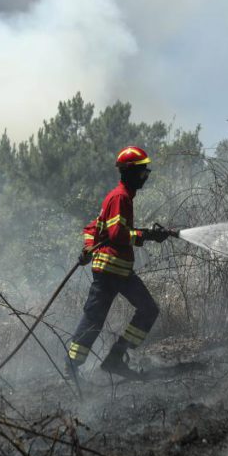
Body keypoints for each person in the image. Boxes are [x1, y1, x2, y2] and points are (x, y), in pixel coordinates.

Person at [67, 146, 170, 380]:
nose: (145, 177)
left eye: (146, 172)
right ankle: (71, 366)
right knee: (97, 318)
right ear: (130, 172)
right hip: (110, 271)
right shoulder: (120, 197)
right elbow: (116, 234)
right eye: (142, 172)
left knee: (143, 310)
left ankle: (114, 358)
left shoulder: (120, 197)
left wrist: (87, 248)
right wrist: (145, 236)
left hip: (117, 271)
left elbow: (94, 227)